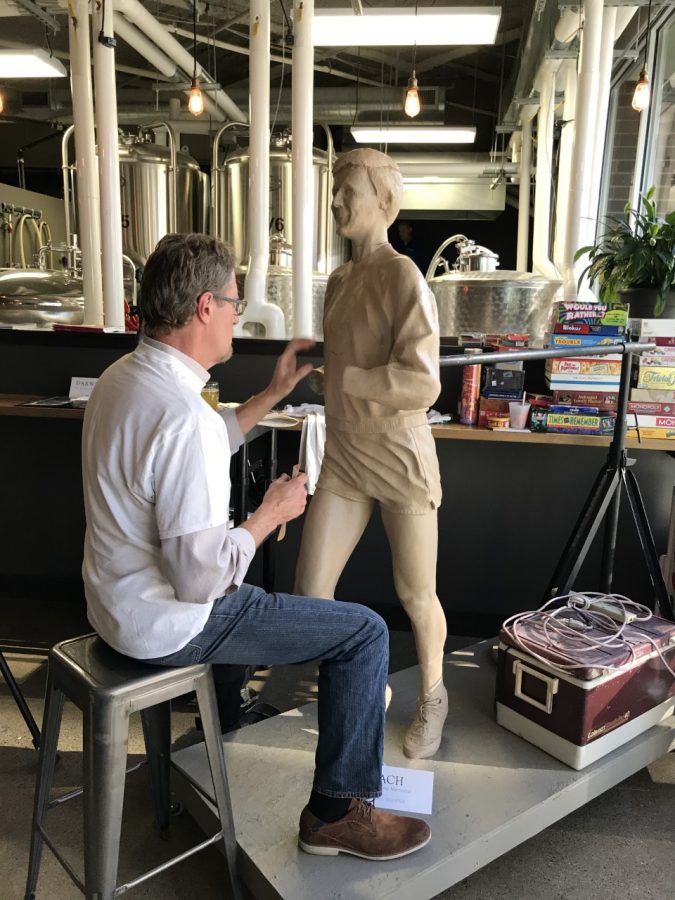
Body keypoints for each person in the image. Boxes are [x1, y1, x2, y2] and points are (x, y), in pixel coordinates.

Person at [81, 232, 431, 861]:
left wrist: (273, 394)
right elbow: (199, 581)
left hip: (112, 608)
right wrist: (271, 514)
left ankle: (226, 724)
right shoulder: (181, 416)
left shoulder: (122, 378)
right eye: (236, 303)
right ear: (204, 309)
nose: (240, 316)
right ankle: (335, 814)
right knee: (364, 633)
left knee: (260, 594)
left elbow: (203, 439)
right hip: (170, 621)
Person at [295, 149, 448, 760]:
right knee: (311, 590)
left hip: (399, 453)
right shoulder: (338, 280)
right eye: (334, 189)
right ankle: (370, 687)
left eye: (347, 190)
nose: (336, 201)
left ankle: (434, 695)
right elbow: (345, 365)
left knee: (416, 593)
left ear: (385, 202)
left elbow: (423, 381)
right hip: (345, 453)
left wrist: (349, 379)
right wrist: (325, 377)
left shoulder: (403, 276)